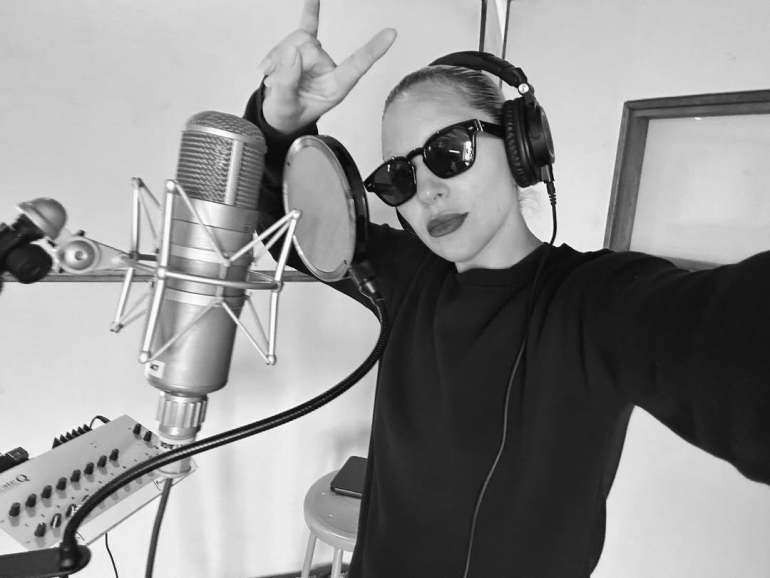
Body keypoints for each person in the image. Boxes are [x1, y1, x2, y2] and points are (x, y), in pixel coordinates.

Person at [245, 1, 770, 576]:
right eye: (399, 176)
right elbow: (286, 225)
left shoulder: (596, 301)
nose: (427, 191)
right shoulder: (404, 275)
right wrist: (280, 127)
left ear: (523, 147)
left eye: (449, 152)